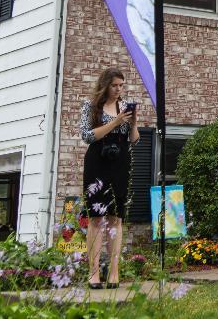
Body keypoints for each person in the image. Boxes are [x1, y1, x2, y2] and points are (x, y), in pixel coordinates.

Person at [79, 68, 139, 289]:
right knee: (96, 217)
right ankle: (93, 273)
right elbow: (86, 135)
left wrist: (132, 123)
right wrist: (115, 122)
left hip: (120, 163)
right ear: (105, 85)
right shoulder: (90, 107)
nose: (119, 90)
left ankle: (114, 272)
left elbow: (134, 140)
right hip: (97, 162)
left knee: (116, 217)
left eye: (122, 86)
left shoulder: (124, 108)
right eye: (115, 85)